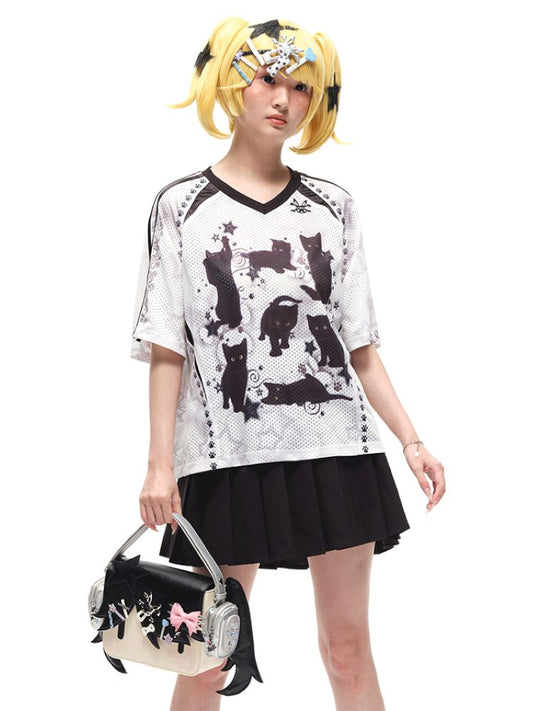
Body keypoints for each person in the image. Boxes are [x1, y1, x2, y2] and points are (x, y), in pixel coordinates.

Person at [130, 16, 446, 711]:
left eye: (302, 87)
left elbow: (360, 346)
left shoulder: (333, 207)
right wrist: (159, 464)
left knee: (346, 649)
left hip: (335, 450)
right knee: (204, 655)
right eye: (269, 79)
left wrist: (410, 440)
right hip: (223, 457)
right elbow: (166, 345)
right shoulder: (181, 207)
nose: (284, 99)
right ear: (230, 83)